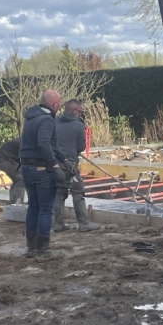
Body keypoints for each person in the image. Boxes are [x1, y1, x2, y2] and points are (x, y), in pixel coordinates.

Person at [19, 90, 78, 259]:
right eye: (59, 104)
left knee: (33, 206)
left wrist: (63, 159)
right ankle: (43, 250)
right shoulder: (47, 120)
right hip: (40, 170)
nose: (59, 107)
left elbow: (52, 144)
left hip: (26, 168)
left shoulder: (32, 118)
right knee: (45, 209)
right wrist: (55, 165)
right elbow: (44, 143)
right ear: (54, 104)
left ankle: (31, 248)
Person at [53, 99, 100, 232]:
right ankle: (84, 224)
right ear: (74, 111)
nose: (80, 114)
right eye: (80, 111)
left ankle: (58, 224)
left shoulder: (54, 122)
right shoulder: (78, 125)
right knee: (78, 192)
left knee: (59, 193)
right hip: (71, 165)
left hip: (56, 164)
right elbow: (81, 146)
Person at [0, 137, 25, 204]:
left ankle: (13, 202)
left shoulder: (27, 141)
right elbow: (26, 160)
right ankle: (17, 203)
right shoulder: (26, 143)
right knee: (21, 179)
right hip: (4, 159)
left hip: (7, 158)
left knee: (17, 179)